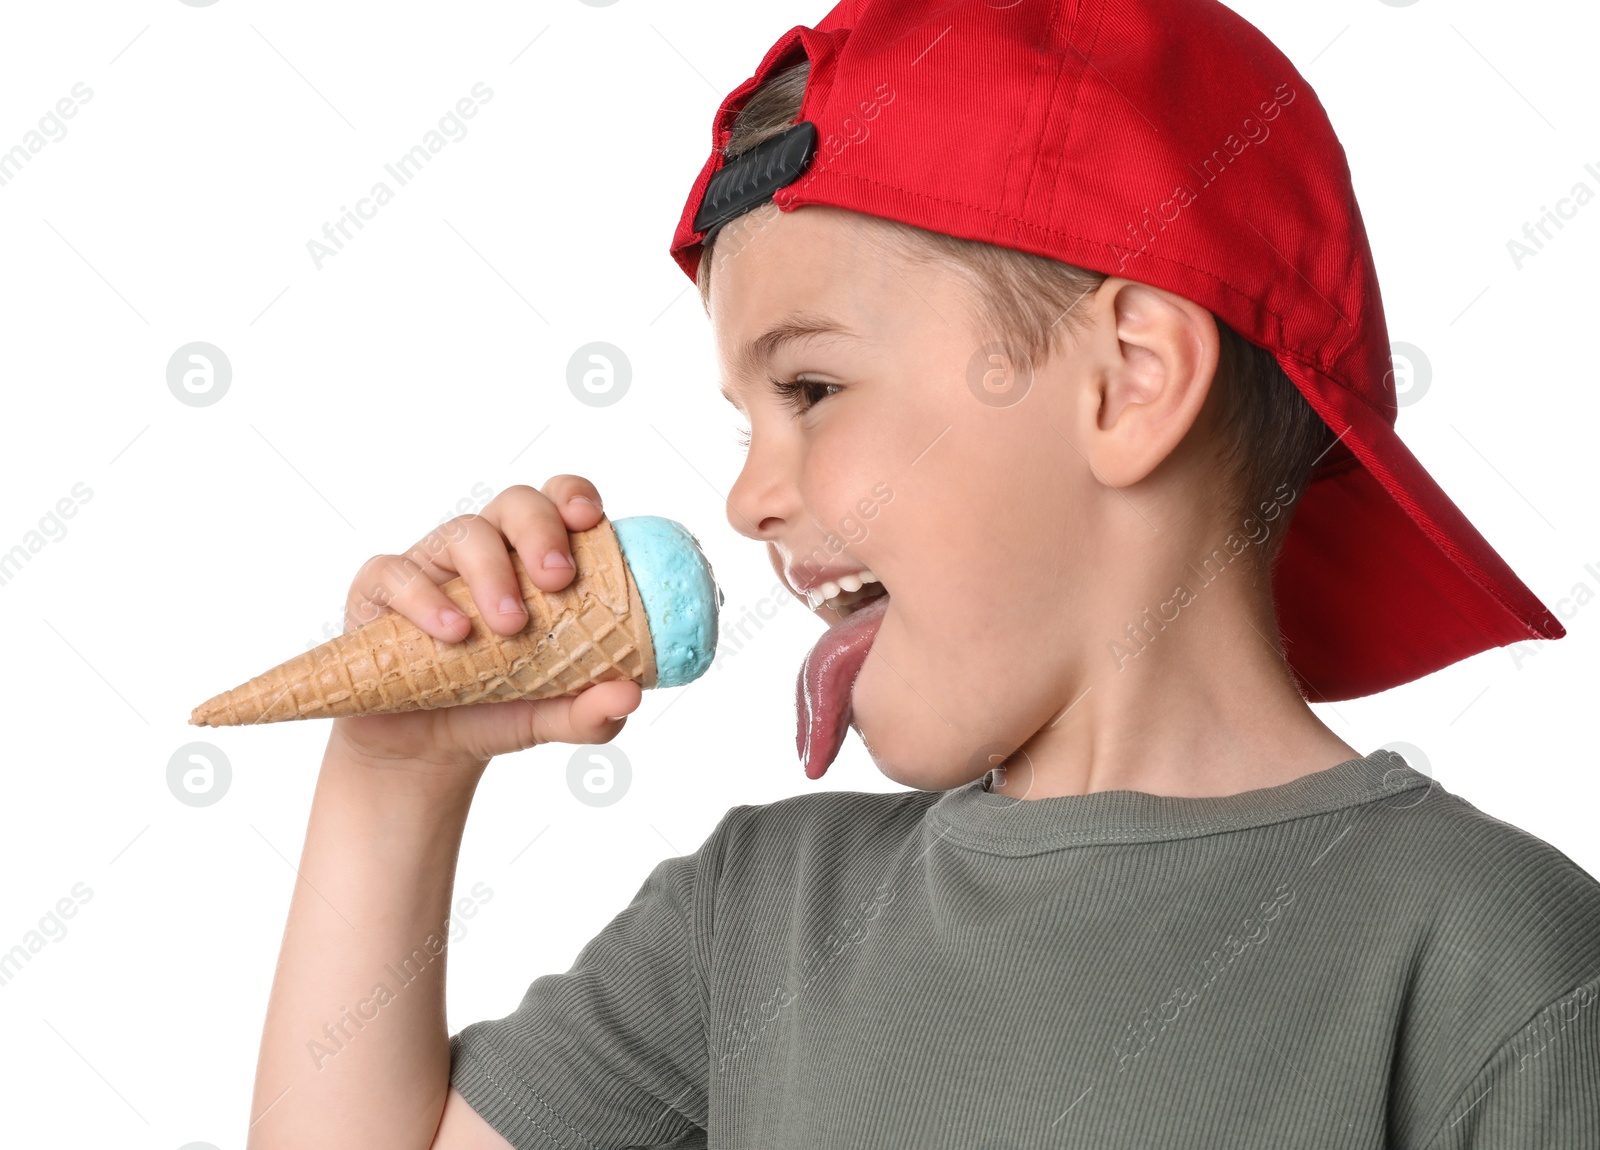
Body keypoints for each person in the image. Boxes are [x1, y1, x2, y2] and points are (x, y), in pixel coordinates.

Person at [248, 1, 1600, 1146]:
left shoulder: (1492, 959)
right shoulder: (758, 921)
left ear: (1128, 380)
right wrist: (396, 776)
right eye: (745, 417)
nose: (746, 493)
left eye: (814, 385)